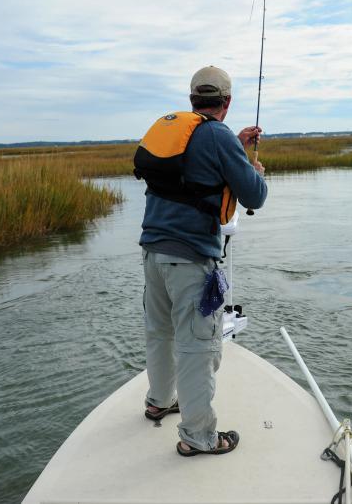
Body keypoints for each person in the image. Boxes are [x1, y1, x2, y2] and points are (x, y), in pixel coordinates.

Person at [138, 65, 267, 456]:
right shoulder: (218, 136)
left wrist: (236, 147)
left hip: (152, 252)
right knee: (197, 345)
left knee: (160, 332)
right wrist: (255, 169)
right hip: (191, 259)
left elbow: (197, 167)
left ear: (194, 99)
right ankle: (198, 436)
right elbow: (254, 196)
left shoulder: (176, 130)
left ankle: (160, 400)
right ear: (226, 102)